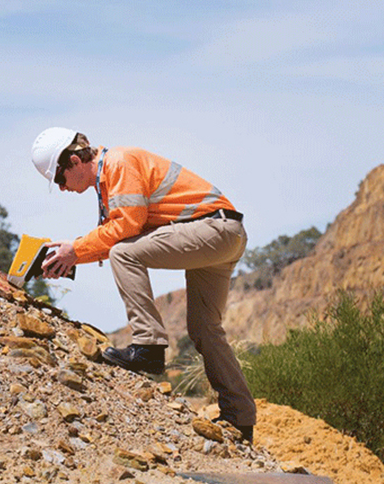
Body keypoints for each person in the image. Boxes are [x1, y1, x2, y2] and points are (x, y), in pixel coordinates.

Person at [31, 127, 256, 442]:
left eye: (59, 179)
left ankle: (148, 346)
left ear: (74, 161)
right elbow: (120, 230)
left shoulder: (118, 163)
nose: (62, 188)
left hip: (212, 229)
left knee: (123, 253)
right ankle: (240, 419)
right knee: (205, 329)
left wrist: (76, 251)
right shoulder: (109, 177)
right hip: (224, 233)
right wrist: (72, 256)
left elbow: (126, 227)